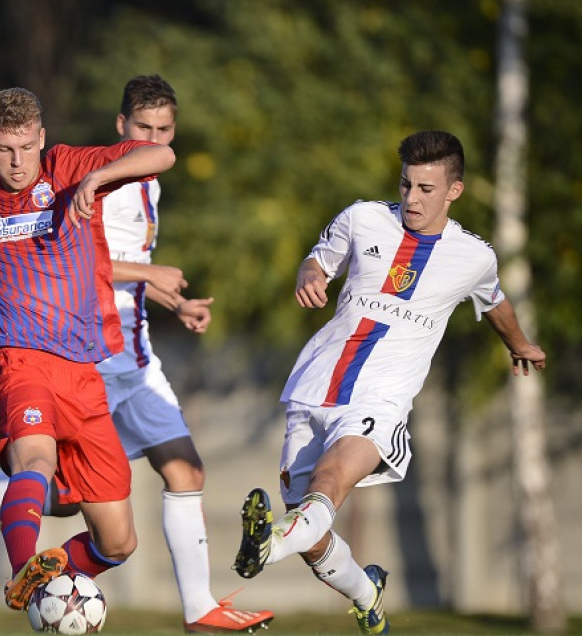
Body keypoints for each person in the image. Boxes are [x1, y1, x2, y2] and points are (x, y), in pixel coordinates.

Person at [0, 75, 273, 633]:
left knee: (118, 540)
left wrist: (100, 176)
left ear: (41, 138)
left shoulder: (69, 168)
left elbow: (161, 153)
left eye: (24, 147)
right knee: (36, 462)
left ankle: (39, 561)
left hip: (88, 372)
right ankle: (27, 574)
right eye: (3, 148)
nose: (16, 162)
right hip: (19, 360)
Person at [230, 130, 547, 634]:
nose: (412, 198)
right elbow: (318, 260)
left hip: (381, 397)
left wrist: (519, 343)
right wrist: (308, 276)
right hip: (315, 383)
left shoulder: (473, 256)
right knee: (310, 531)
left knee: (328, 484)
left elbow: (494, 300)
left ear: (454, 191)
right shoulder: (362, 218)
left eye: (426, 188)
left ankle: (266, 545)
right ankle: (364, 589)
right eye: (405, 185)